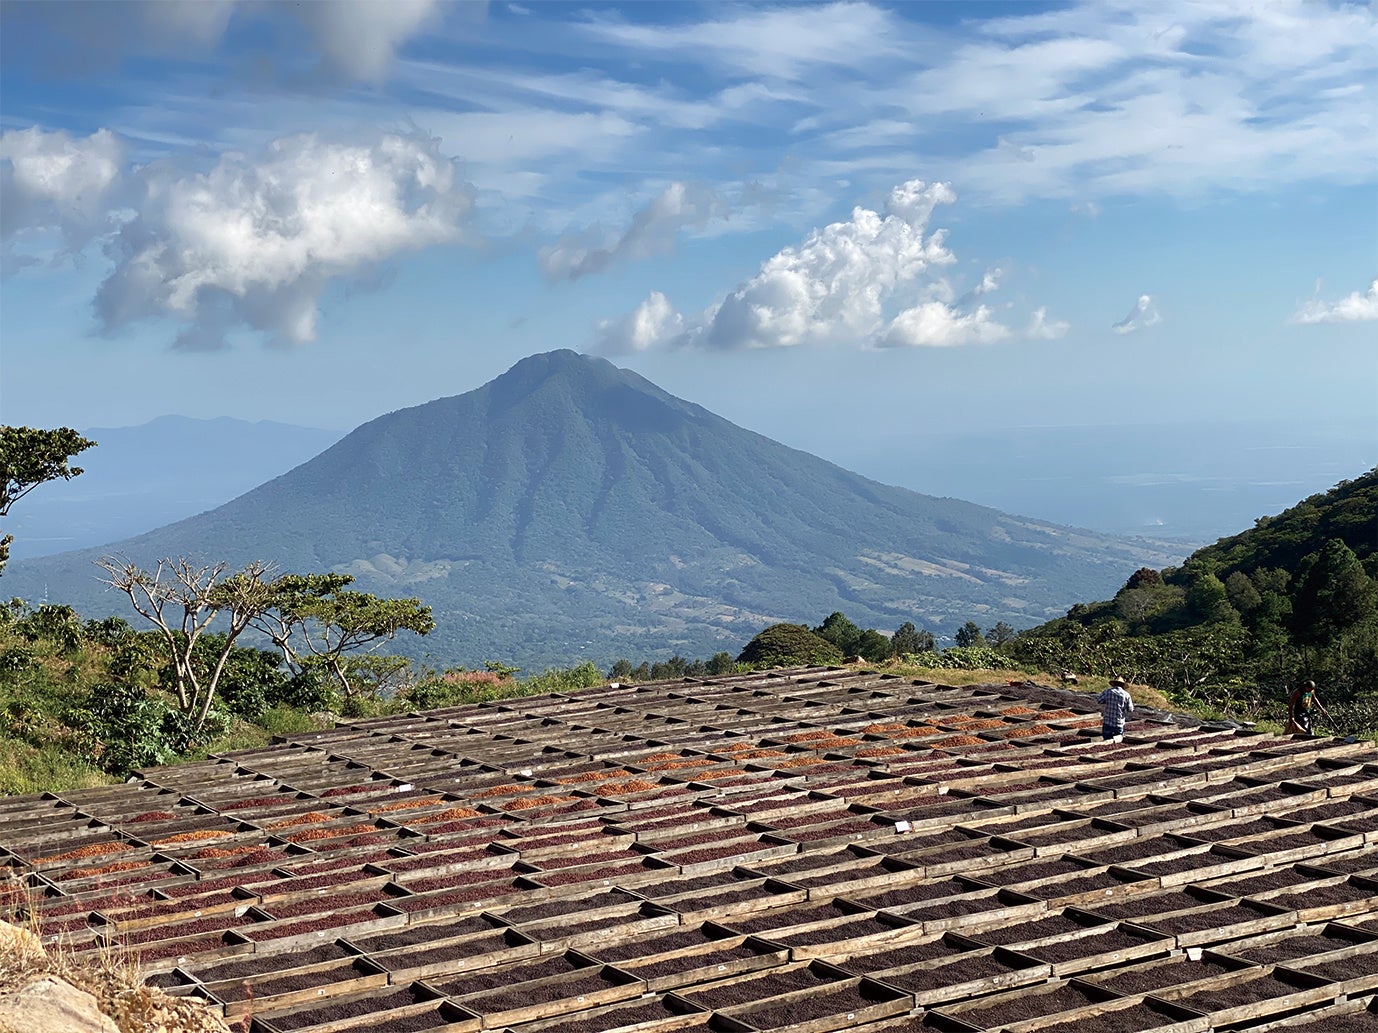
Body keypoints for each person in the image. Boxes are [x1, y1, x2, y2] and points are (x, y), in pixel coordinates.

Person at [1098, 676, 1134, 741]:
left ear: (1114, 684)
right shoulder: (1126, 695)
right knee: (1117, 742)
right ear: (1123, 685)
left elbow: (1099, 700)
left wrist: (1108, 701)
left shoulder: (1107, 692)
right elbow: (1130, 709)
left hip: (1108, 722)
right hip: (1119, 723)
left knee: (1106, 742)